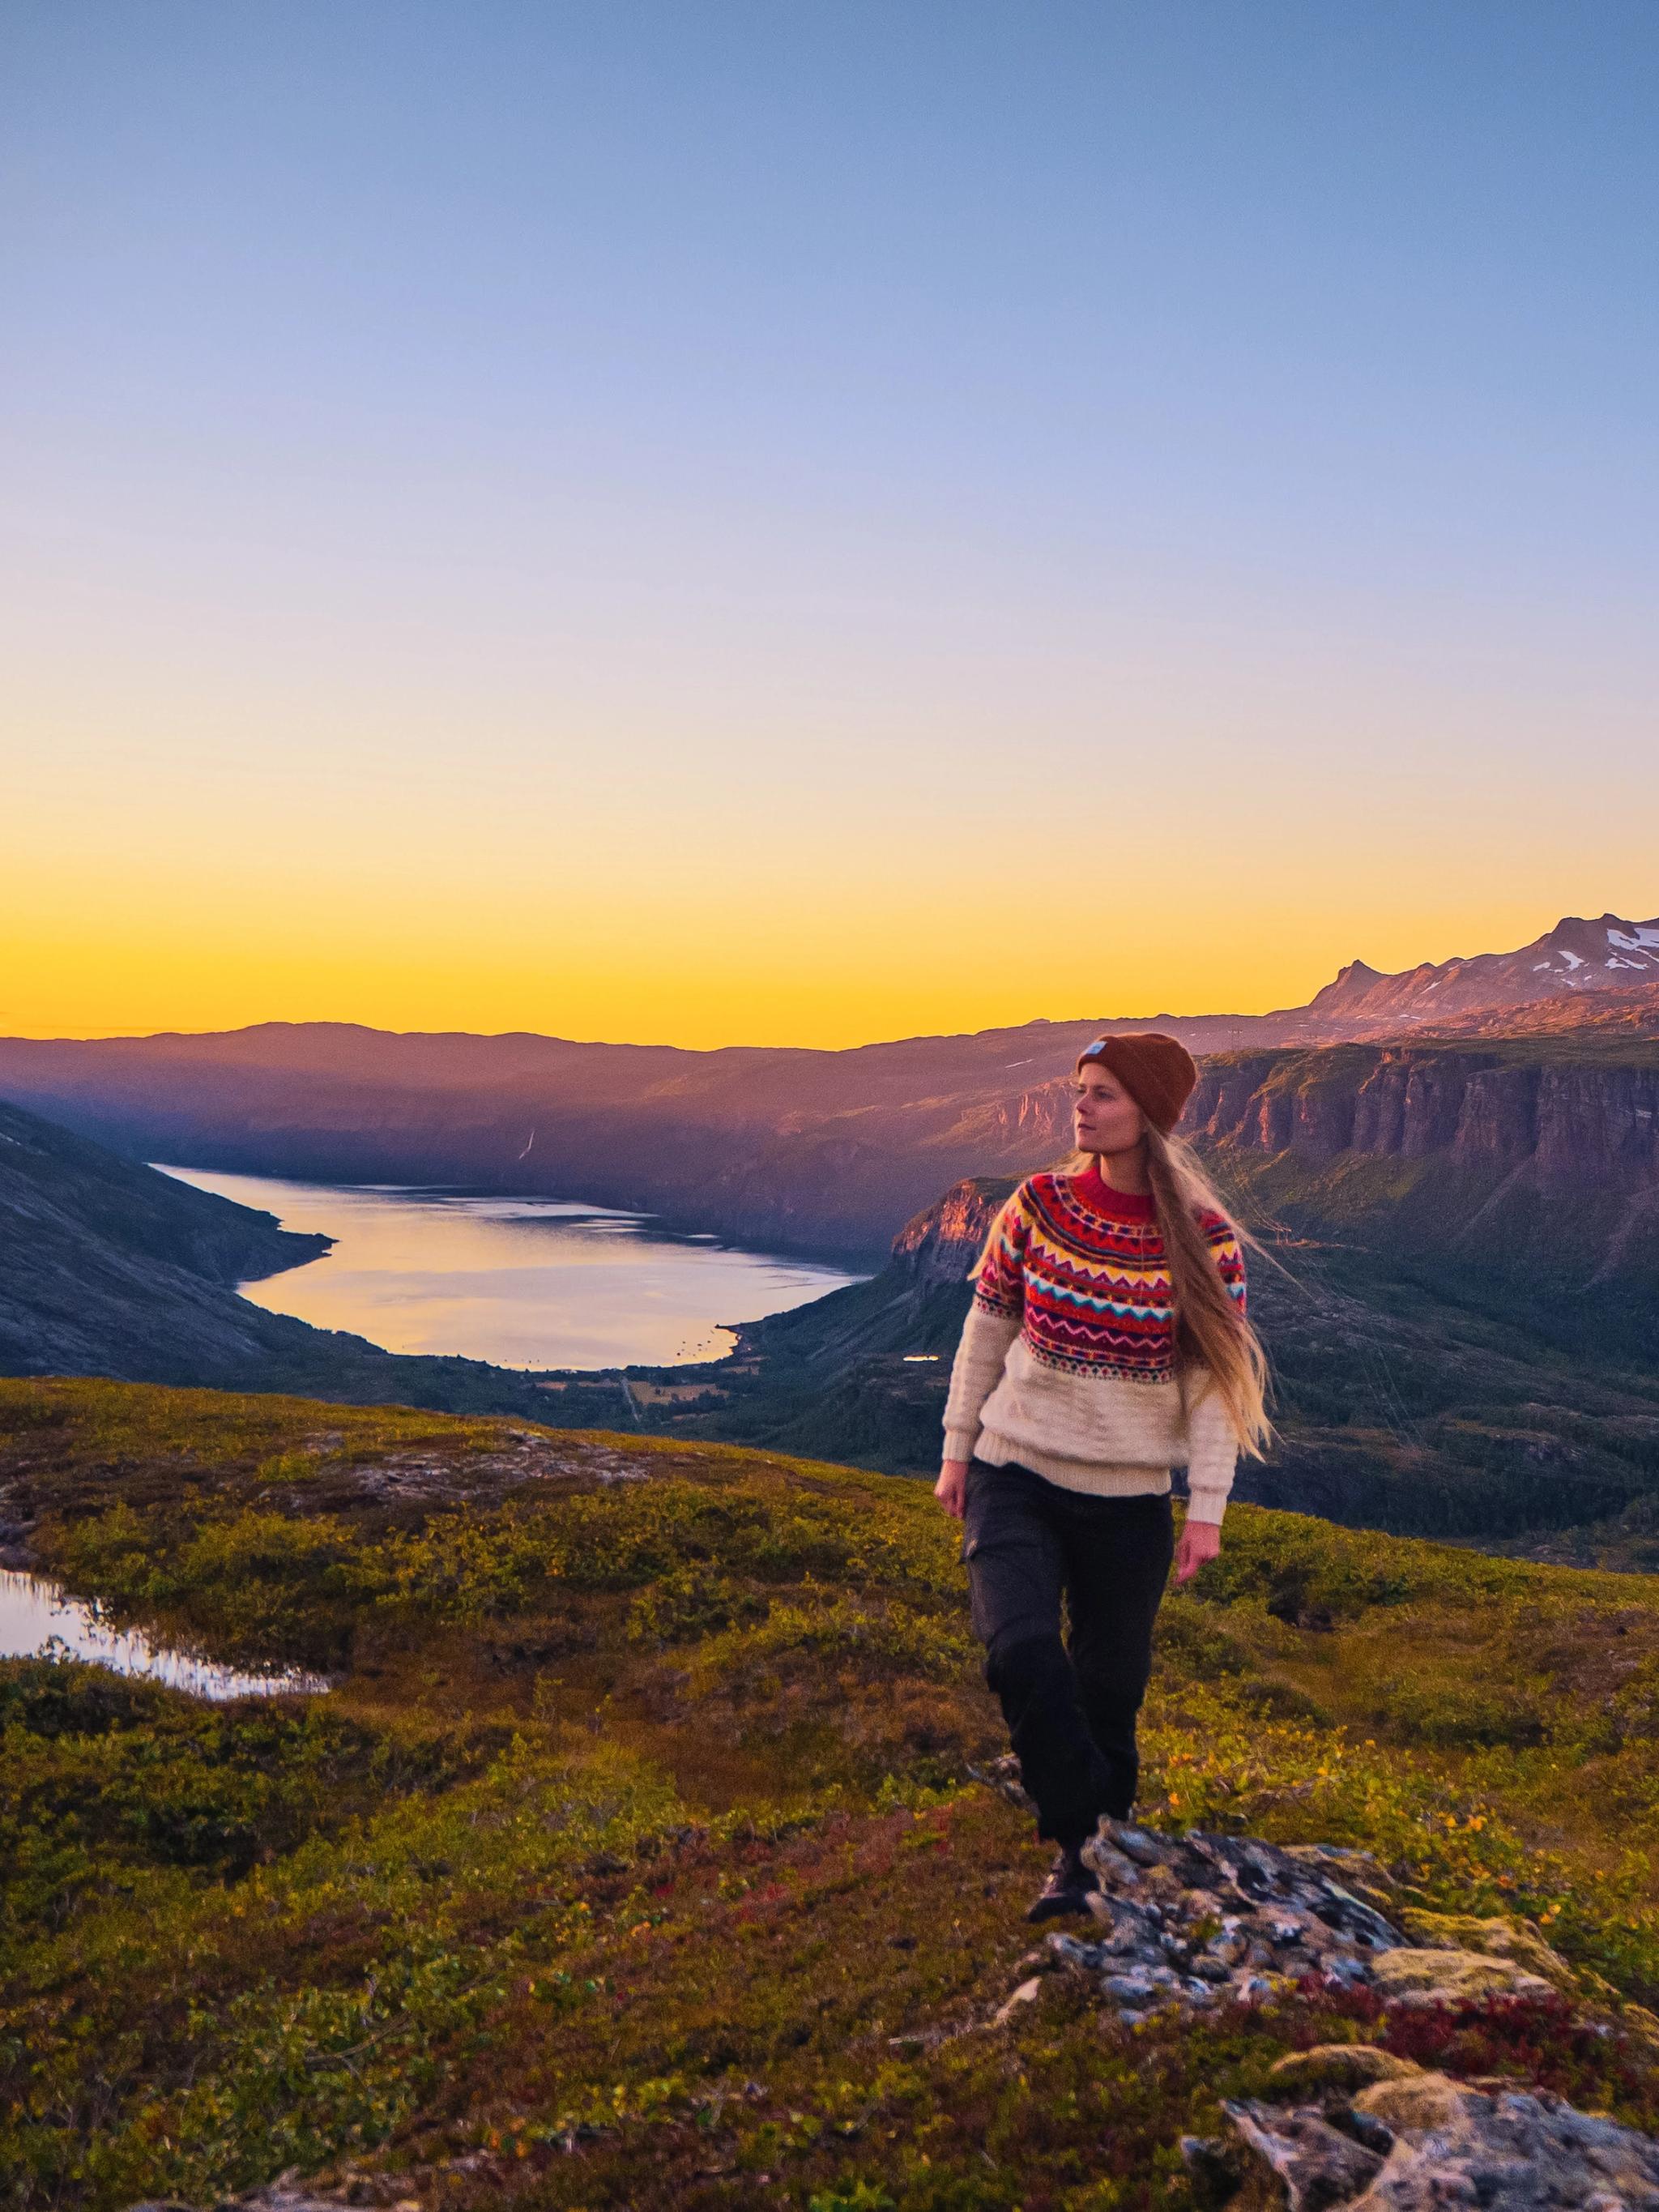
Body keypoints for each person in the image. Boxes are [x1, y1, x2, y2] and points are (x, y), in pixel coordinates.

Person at [934, 1031, 1273, 1921]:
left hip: (1127, 1504)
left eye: (1104, 1094)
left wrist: (1206, 1507)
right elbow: (985, 1330)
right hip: (1015, 1473)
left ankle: (1083, 1870)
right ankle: (1081, 1827)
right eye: (1079, 1089)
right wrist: (956, 1450)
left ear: (1149, 1115)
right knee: (1017, 1652)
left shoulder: (1204, 1241)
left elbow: (1213, 1389)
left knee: (1110, 1691)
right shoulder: (1035, 1204)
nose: (1080, 1106)